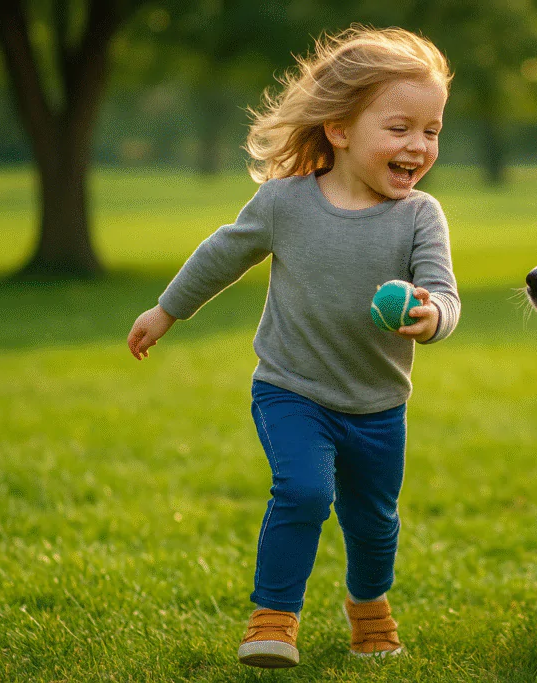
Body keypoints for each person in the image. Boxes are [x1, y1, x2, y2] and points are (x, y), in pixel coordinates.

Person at [126, 26, 459, 668]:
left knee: (374, 524)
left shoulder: (420, 216)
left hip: (377, 403)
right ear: (339, 128)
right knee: (304, 491)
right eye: (400, 128)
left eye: (432, 130)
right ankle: (273, 618)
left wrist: (429, 314)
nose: (418, 146)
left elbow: (443, 293)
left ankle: (368, 608)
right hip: (291, 389)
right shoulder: (285, 204)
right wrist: (166, 310)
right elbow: (222, 255)